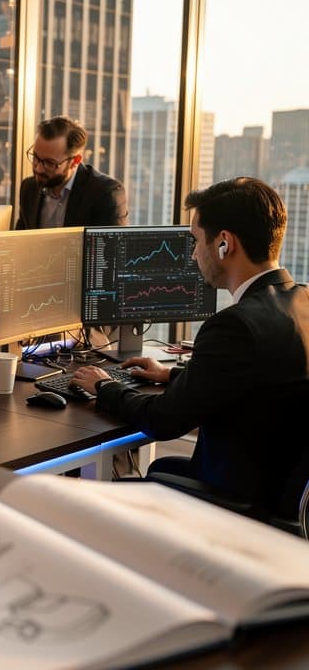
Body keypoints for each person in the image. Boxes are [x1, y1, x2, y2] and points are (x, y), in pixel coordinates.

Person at [71, 177, 309, 517]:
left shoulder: (234, 326)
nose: (194, 253)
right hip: (278, 495)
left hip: (238, 510)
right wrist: (173, 375)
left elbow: (163, 421)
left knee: (86, 501)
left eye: (196, 240)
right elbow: (260, 382)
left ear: (224, 243)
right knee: (161, 469)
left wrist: (104, 386)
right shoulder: (302, 301)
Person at [15, 115, 127, 229]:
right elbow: (20, 237)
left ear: (75, 161)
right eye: (35, 157)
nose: (38, 169)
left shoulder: (106, 194)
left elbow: (109, 241)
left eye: (49, 163)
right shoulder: (29, 188)